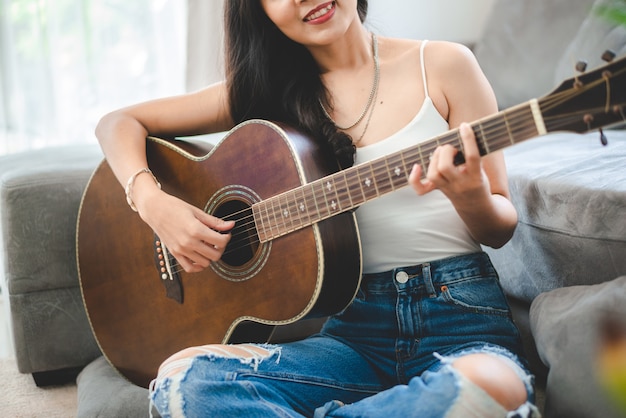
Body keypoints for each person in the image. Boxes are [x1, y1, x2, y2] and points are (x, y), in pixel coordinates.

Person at [95, 1, 541, 417]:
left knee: (488, 387)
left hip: (461, 321)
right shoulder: (264, 96)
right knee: (184, 381)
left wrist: (469, 195)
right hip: (353, 338)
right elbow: (117, 123)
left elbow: (499, 227)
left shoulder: (443, 65)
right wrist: (155, 205)